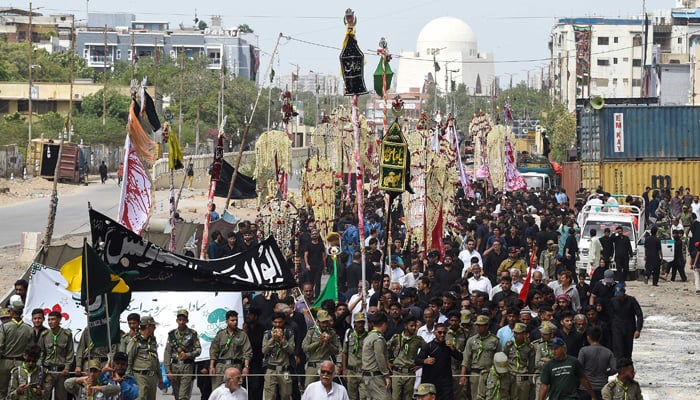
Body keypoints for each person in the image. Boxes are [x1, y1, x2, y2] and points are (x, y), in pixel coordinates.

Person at [416, 322, 463, 400]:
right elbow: (417, 360)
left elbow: (460, 358)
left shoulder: (448, 346)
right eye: (440, 332)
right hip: (430, 381)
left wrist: (453, 349)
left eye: (444, 332)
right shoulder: (428, 346)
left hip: (445, 382)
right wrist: (425, 361)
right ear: (434, 333)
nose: (442, 335)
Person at [459, 315, 502, 400]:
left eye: (481, 325)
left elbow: (499, 358)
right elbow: (466, 359)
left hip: (490, 373)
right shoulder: (471, 340)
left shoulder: (494, 340)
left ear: (487, 326)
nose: (478, 327)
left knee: (490, 396)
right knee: (476, 397)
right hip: (475, 373)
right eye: (477, 325)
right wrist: (463, 376)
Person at [164, 309, 201, 400]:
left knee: (183, 396)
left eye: (184, 320)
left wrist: (188, 355)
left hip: (187, 366)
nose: (181, 322)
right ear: (177, 320)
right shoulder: (172, 334)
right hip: (175, 366)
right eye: (179, 319)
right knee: (177, 395)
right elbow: (167, 353)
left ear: (187, 320)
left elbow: (198, 350)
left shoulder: (193, 334)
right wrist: (168, 371)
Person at [209, 310, 252, 388]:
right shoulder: (220, 334)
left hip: (235, 366)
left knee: (234, 390)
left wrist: (246, 367)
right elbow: (213, 350)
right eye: (232, 320)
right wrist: (212, 366)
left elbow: (247, 351)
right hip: (221, 367)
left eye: (236, 320)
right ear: (226, 321)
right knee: (218, 390)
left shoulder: (242, 334)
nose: (235, 322)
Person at [0, 300, 33, 399]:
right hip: (21, 363)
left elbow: (0, 345)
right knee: (20, 390)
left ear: (12, 312)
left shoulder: (5, 327)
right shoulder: (28, 328)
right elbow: (30, 348)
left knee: (2, 389)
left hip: (5, 362)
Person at [38, 310, 74, 400]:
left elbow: (70, 353)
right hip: (48, 370)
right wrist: (39, 366)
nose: (50, 322)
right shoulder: (44, 335)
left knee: (61, 396)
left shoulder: (67, 335)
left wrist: (67, 368)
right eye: (49, 320)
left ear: (59, 320)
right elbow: (41, 352)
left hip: (61, 371)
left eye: (53, 319)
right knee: (45, 395)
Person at [126, 315, 163, 400]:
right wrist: (129, 379)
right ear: (148, 326)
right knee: (141, 397)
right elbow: (129, 360)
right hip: (140, 376)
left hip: (152, 377)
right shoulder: (135, 341)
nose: (155, 328)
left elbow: (155, 359)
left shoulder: (152, 340)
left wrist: (160, 377)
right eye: (153, 326)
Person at [388, 315, 424, 400]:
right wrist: (387, 361)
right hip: (397, 372)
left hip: (410, 373)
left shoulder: (418, 340)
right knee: (395, 397)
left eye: (415, 326)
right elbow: (384, 347)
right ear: (405, 326)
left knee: (408, 397)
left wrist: (421, 364)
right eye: (411, 326)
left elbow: (427, 349)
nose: (414, 328)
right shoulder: (397, 338)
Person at [301, 309, 339, 388]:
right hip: (312, 366)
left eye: (326, 322)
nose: (325, 325)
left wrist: (328, 343)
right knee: (309, 388)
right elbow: (305, 348)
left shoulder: (332, 333)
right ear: (317, 322)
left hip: (325, 365)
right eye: (323, 322)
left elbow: (336, 351)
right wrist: (319, 342)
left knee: (326, 388)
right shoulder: (311, 332)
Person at [262, 312, 295, 400]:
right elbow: (264, 350)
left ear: (284, 322)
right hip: (271, 369)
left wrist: (282, 340)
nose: (278, 325)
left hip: (285, 370)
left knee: (286, 395)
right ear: (272, 322)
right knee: (270, 396)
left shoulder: (289, 334)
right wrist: (272, 339)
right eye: (275, 322)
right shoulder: (267, 334)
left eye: (280, 322)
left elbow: (291, 350)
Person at [577, 326, 615, 400]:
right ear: (600, 337)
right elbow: (615, 368)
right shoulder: (608, 352)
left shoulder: (584, 351)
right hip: (602, 387)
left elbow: (578, 368)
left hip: (585, 388)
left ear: (588, 337)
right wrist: (606, 373)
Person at [361, 311, 391, 400]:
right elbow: (380, 358)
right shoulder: (378, 338)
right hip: (375, 376)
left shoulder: (368, 337)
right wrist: (386, 375)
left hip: (367, 375)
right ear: (384, 324)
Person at [608, 283, 643, 360]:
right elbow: (610, 316)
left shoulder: (632, 301)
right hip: (617, 329)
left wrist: (638, 329)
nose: (618, 297)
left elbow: (639, 315)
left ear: (624, 293)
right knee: (618, 352)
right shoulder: (613, 301)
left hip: (629, 329)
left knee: (628, 352)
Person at [503, 323, 534, 400]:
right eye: (515, 333)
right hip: (511, 378)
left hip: (523, 379)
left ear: (524, 334)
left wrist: (530, 380)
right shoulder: (509, 345)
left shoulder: (529, 348)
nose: (515, 335)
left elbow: (531, 365)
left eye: (518, 333)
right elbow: (504, 360)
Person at [343, 312, 368, 400]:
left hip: (363, 371)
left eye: (362, 322)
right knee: (352, 396)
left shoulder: (368, 336)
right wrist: (344, 369)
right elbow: (344, 352)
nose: (361, 324)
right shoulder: (349, 334)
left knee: (364, 396)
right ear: (354, 323)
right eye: (358, 322)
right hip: (351, 371)